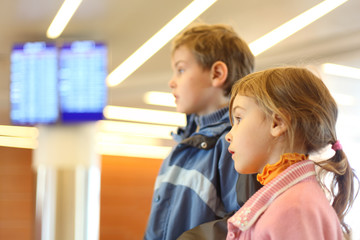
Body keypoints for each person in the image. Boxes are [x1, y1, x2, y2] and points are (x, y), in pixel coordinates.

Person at [144, 23, 261, 240]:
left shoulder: (232, 144)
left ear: (217, 73)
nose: (171, 82)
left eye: (180, 69)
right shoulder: (184, 146)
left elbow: (245, 223)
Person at [225, 66, 359, 240]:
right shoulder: (289, 200)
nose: (229, 135)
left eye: (239, 119)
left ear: (277, 123)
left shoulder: (294, 208)